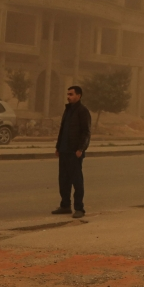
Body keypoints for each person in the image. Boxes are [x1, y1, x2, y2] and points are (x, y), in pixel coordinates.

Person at [53, 85, 91, 218]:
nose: (68, 96)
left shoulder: (82, 111)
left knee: (77, 180)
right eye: (68, 94)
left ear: (78, 95)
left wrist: (81, 148)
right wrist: (58, 147)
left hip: (75, 152)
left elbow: (86, 132)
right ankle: (65, 205)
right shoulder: (68, 110)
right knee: (63, 180)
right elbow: (62, 130)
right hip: (64, 151)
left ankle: (79, 208)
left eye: (71, 94)